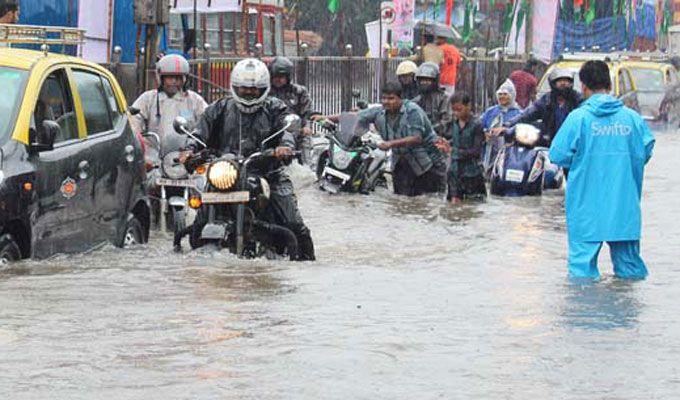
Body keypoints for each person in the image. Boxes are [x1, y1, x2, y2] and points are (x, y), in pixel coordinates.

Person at [192, 58, 315, 261]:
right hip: (226, 174)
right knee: (198, 224)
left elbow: (288, 129)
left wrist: (285, 147)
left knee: (293, 223)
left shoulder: (276, 107)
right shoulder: (219, 108)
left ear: (264, 89)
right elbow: (200, 132)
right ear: (234, 87)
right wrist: (189, 150)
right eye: (243, 88)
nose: (249, 92)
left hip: (267, 173)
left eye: (254, 89)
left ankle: (307, 263)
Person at [549, 60, 654, 279]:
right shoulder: (632, 119)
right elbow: (646, 150)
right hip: (624, 207)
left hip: (585, 208)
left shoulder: (578, 119)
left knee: (582, 274)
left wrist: (584, 161)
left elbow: (557, 155)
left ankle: (587, 314)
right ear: (609, 84)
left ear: (584, 87)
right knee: (630, 273)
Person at [355, 81, 447, 197]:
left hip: (429, 163)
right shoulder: (379, 111)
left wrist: (390, 144)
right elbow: (357, 116)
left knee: (429, 200)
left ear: (401, 98)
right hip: (402, 162)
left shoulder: (413, 111)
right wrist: (326, 118)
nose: (386, 102)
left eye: (391, 98)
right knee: (400, 201)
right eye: (383, 98)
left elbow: (416, 138)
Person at [129, 54, 208, 154]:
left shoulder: (194, 100)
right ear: (161, 78)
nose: (174, 81)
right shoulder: (148, 98)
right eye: (170, 77)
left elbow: (207, 120)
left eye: (178, 78)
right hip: (155, 159)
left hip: (186, 156)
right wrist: (140, 142)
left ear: (185, 79)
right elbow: (134, 121)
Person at [500, 68, 583, 148]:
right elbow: (527, 114)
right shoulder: (546, 101)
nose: (563, 83)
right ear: (553, 83)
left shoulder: (578, 100)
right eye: (560, 81)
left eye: (566, 81)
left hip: (574, 145)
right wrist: (508, 125)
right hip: (550, 145)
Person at [444, 92, 486, 203]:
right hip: (454, 172)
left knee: (473, 207)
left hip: (472, 174)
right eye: (453, 110)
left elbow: (476, 151)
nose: (456, 113)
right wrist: (445, 144)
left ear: (468, 106)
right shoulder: (453, 123)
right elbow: (452, 140)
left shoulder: (477, 125)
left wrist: (453, 151)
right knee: (453, 206)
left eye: (459, 109)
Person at [480, 79, 521, 176]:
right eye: (500, 94)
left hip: (510, 152)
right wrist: (484, 133)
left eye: (505, 94)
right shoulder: (491, 111)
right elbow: (479, 125)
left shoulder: (518, 114)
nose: (502, 97)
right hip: (490, 150)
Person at [413, 62, 451, 137]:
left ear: (435, 81)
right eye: (422, 80)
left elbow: (446, 121)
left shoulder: (444, 98)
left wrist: (429, 130)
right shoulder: (417, 100)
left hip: (441, 137)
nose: (424, 83)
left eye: (428, 80)